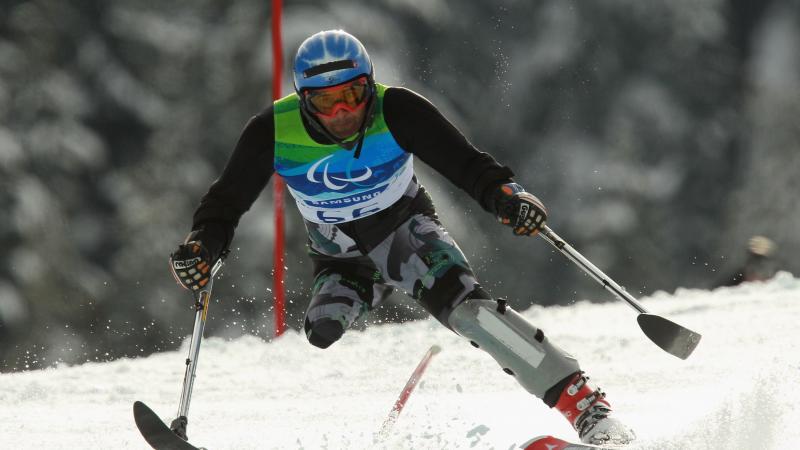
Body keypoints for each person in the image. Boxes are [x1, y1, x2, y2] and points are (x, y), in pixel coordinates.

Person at [169, 30, 635, 446]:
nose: (344, 112)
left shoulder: (397, 110)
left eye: (353, 94)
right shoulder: (271, 131)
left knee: (472, 315)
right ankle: (365, 285)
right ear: (303, 99)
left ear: (370, 84)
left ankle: (586, 405)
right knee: (322, 330)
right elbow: (224, 206)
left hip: (406, 233)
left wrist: (507, 197)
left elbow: (468, 166)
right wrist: (201, 250)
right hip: (340, 257)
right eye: (327, 101)